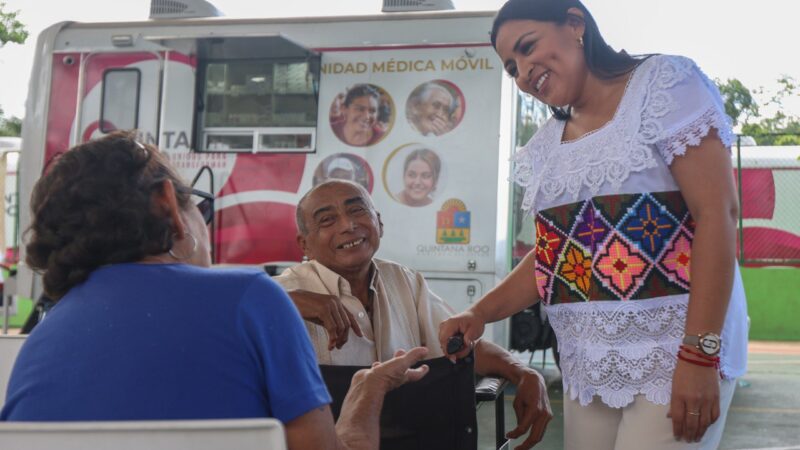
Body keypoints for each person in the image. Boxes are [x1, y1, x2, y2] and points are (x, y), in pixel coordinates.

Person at [438, 1, 749, 449]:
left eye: (528, 48)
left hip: (673, 353)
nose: (524, 71)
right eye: (512, 68)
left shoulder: (663, 86)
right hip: (590, 364)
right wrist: (478, 313)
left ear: (575, 24)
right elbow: (554, 258)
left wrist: (699, 355)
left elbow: (717, 215)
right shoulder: (547, 145)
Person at [0, 131, 430, 450]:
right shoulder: (251, 297)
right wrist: (367, 390)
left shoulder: (43, 338)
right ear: (169, 205)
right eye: (197, 201)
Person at [276, 180, 553, 449]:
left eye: (357, 210)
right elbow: (235, 323)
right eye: (327, 220)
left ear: (379, 223)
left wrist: (523, 372)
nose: (348, 225)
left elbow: (462, 341)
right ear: (304, 244)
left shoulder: (404, 281)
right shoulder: (278, 296)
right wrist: (283, 303)